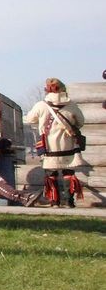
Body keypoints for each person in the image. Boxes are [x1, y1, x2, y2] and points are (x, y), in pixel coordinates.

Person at [25, 78, 87, 207]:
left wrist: (41, 123)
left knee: (50, 173)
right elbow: (80, 122)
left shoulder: (41, 105)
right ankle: (69, 201)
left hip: (48, 146)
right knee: (68, 173)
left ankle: (54, 201)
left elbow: (30, 119)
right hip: (68, 144)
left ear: (47, 90)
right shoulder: (72, 105)